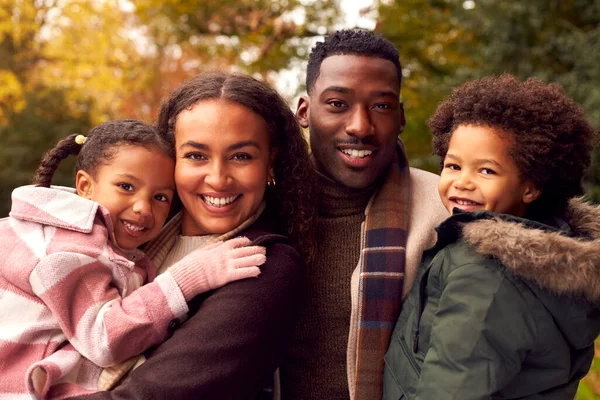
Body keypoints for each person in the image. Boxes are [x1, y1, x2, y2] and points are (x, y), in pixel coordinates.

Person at [71, 72, 314, 399]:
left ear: (270, 163)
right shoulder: (125, 236)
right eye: (196, 156)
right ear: (171, 161)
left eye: (241, 156)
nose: (218, 178)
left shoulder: (265, 265)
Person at [0, 120, 266, 399]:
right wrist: (188, 277)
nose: (143, 208)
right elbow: (103, 340)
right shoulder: (65, 252)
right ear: (85, 186)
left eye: (160, 197)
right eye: (126, 186)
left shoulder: (72, 231)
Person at [383, 74, 600, 399]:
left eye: (486, 170)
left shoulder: (486, 275)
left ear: (531, 186)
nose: (462, 182)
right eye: (453, 166)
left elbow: (452, 387)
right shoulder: (553, 250)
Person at [279, 29, 449, 400]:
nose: (360, 126)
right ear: (305, 112)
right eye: (338, 104)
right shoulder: (264, 207)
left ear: (401, 116)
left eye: (381, 106)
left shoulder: (445, 210)